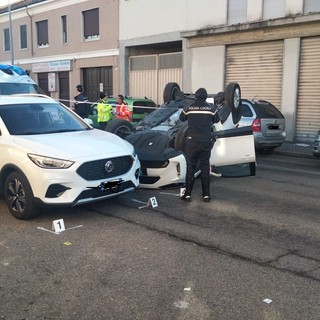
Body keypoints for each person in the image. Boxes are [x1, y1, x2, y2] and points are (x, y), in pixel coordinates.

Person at [179, 87, 220, 203]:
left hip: (192, 141)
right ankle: (206, 195)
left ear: (195, 96)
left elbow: (181, 118)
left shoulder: (189, 107)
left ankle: (187, 194)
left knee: (190, 167)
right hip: (206, 141)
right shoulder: (211, 108)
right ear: (206, 97)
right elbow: (217, 120)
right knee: (205, 167)